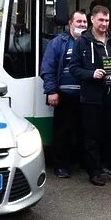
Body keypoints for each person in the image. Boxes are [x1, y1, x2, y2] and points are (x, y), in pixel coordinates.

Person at [68, 5, 111, 186]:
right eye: (101, 20)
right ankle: (94, 172)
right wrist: (91, 74)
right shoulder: (82, 42)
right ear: (92, 20)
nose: (104, 24)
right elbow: (74, 68)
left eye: (107, 20)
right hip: (92, 97)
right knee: (92, 136)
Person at [39, 9, 88, 178]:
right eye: (79, 22)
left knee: (85, 132)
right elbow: (47, 68)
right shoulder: (58, 42)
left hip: (87, 96)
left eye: (84, 22)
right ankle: (61, 166)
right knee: (63, 133)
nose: (82, 25)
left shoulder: (90, 42)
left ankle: (83, 163)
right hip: (64, 96)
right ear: (70, 24)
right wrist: (52, 91)